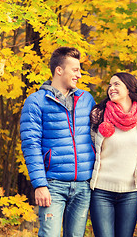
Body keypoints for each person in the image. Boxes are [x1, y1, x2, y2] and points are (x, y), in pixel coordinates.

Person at [20, 47, 95, 237]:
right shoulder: (36, 101)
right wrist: (39, 184)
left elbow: (98, 137)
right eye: (75, 69)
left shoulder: (86, 99)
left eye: (79, 70)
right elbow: (31, 145)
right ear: (59, 70)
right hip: (53, 185)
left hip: (83, 184)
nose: (79, 74)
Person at [89, 72, 137, 237]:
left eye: (116, 84)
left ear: (129, 88)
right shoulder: (99, 115)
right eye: (110, 85)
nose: (111, 88)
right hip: (101, 191)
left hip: (130, 193)